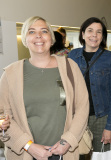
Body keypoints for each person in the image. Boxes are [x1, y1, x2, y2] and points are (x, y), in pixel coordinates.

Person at [0, 16, 89, 160]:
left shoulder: (70, 67)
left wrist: (68, 141)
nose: (39, 36)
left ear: (51, 38)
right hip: (25, 153)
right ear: (25, 39)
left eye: (44, 31)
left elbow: (82, 107)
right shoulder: (10, 74)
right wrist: (28, 145)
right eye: (32, 32)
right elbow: (3, 116)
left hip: (64, 152)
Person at [68, 17, 111, 152]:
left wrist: (110, 126)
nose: (94, 35)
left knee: (102, 155)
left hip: (101, 118)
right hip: (77, 118)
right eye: (90, 30)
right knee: (75, 155)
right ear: (83, 34)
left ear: (102, 36)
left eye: (99, 32)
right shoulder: (72, 56)